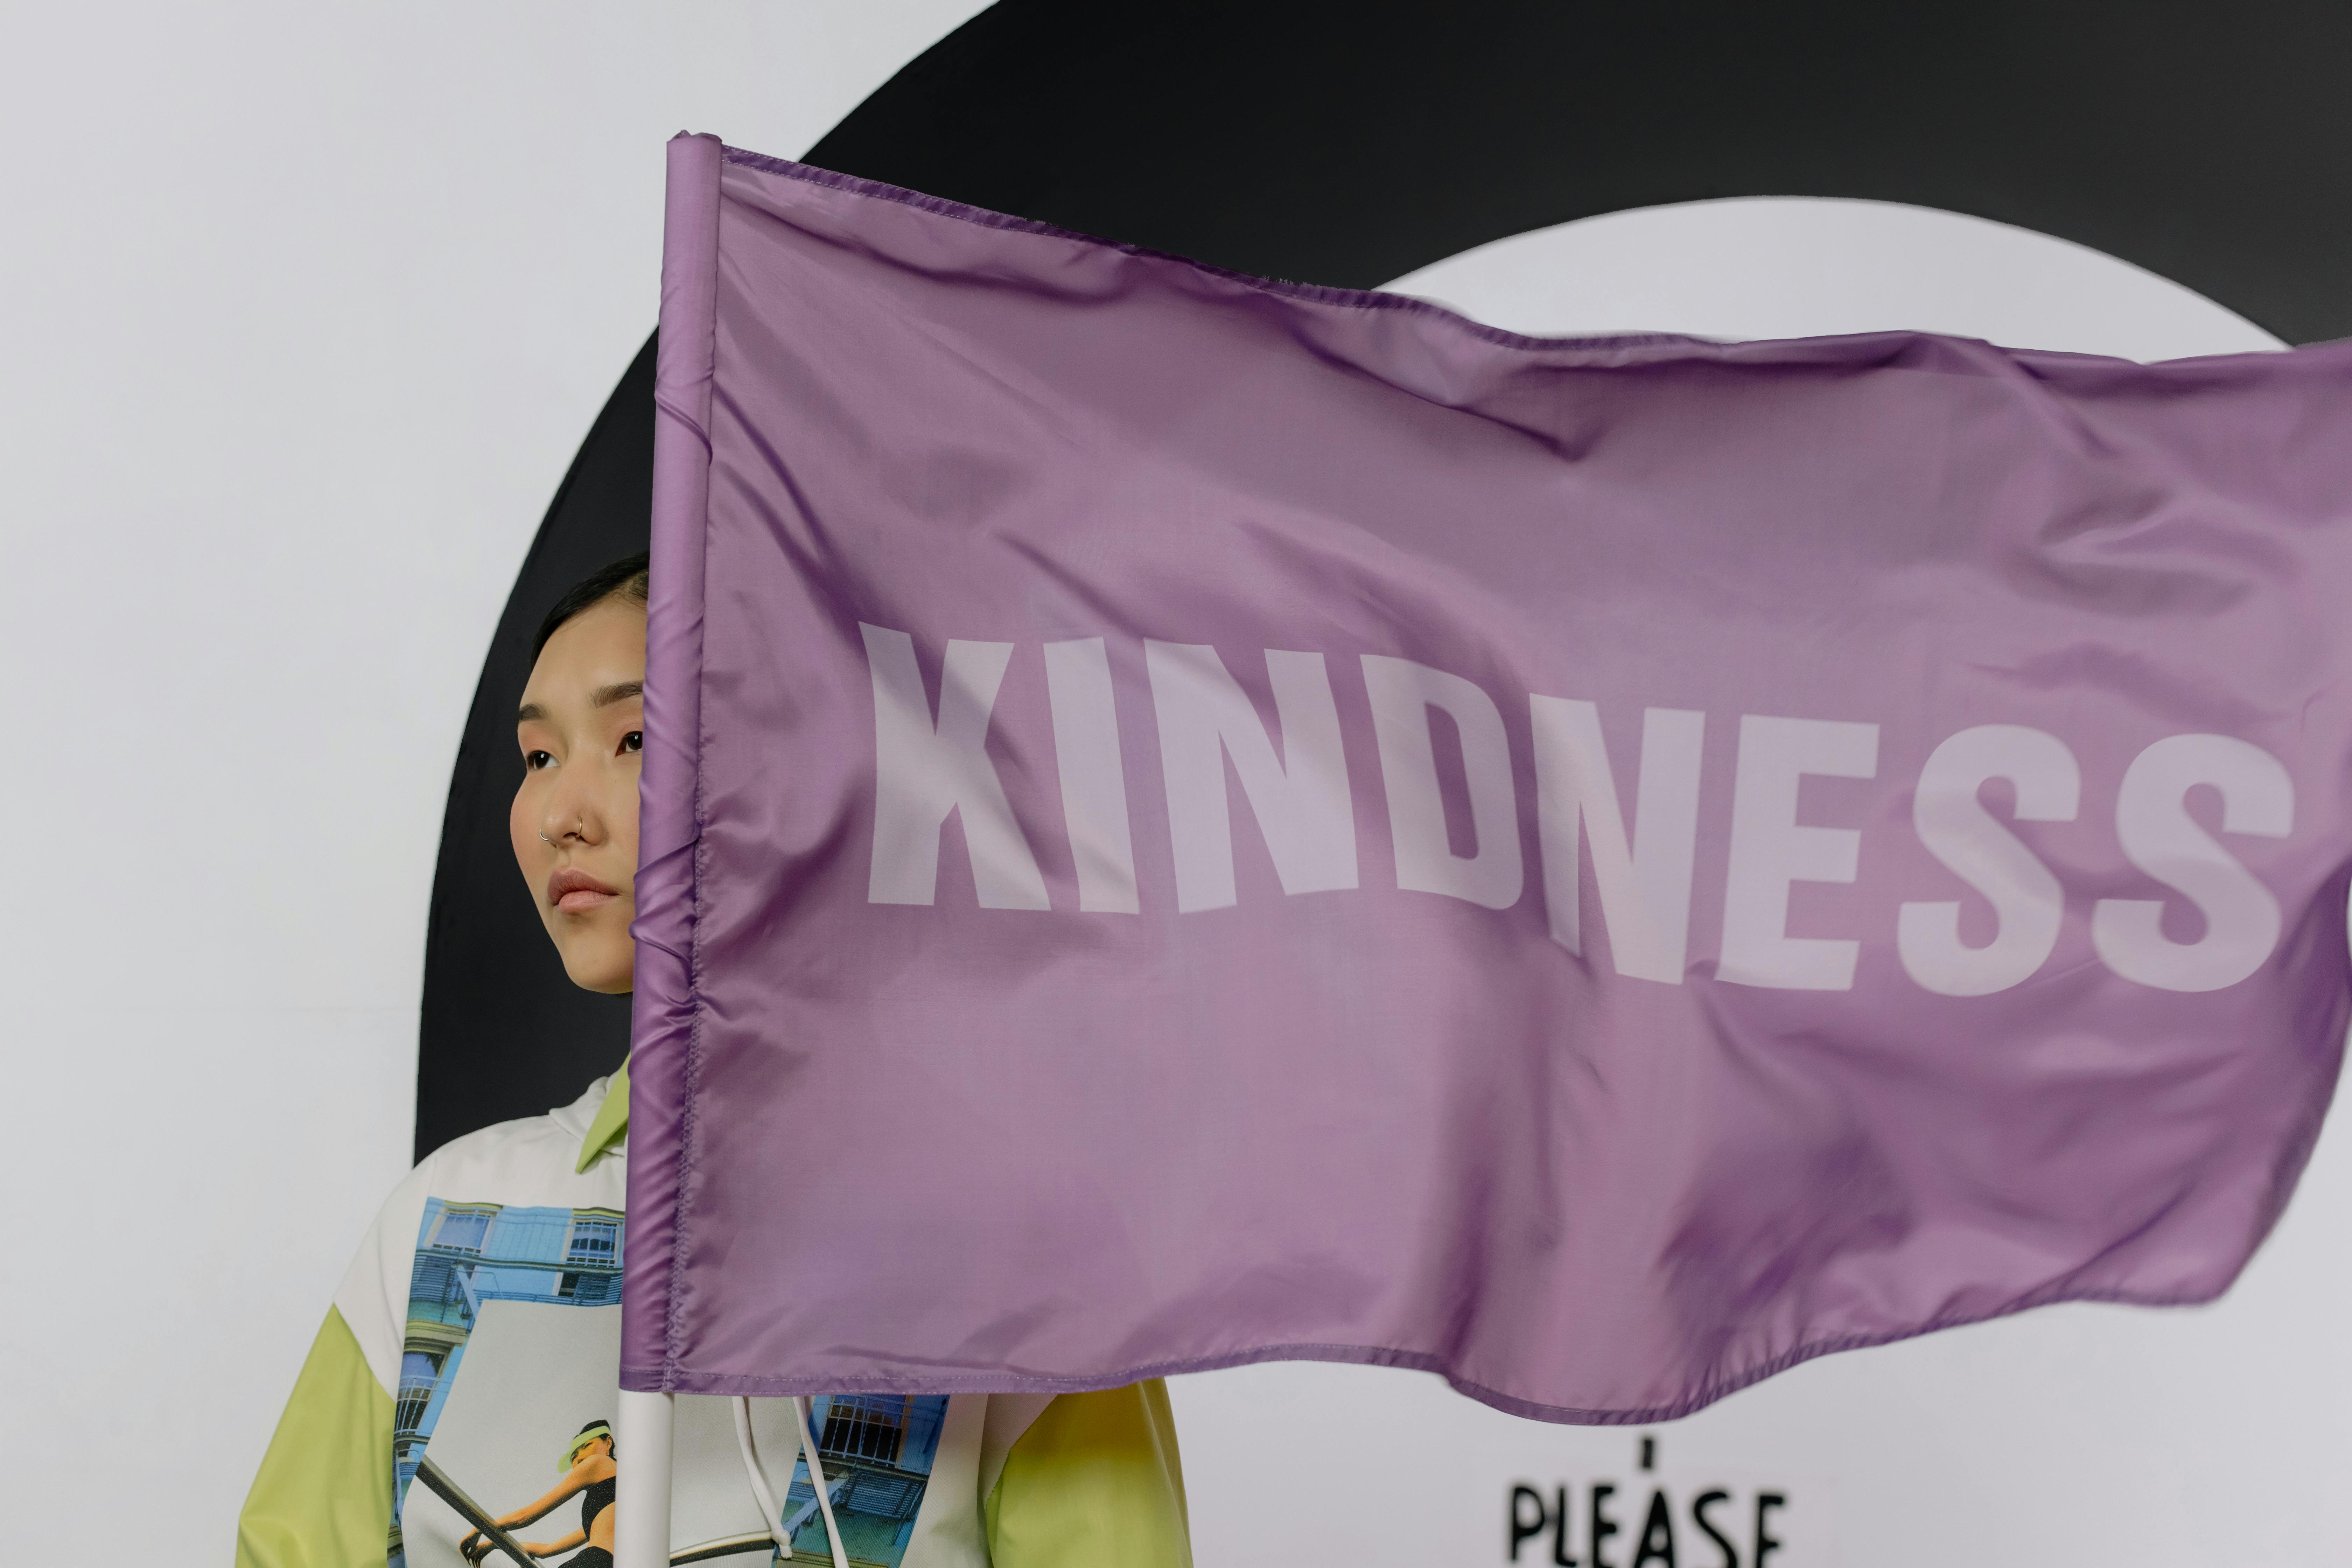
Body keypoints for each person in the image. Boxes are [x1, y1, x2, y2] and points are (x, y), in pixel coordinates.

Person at [237, 554, 1192, 1567]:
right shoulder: (440, 1227)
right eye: (537, 757)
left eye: (634, 738)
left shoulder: (1012, 1258)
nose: (561, 812)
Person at [456, 1420, 618, 1566]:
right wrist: (493, 1544)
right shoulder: (610, 1509)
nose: (581, 1458)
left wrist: (478, 1529)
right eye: (574, 1457)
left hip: (595, 1561)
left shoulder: (597, 1463)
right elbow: (547, 1550)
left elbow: (525, 1517)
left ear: (608, 1442)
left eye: (587, 1446)